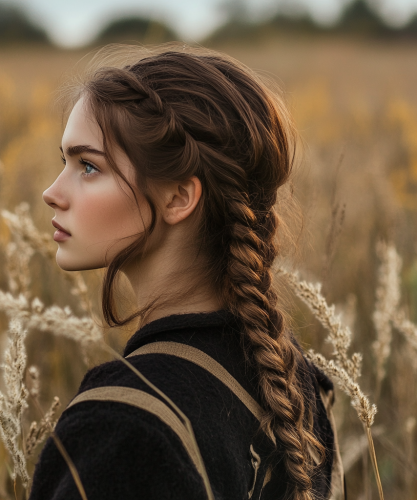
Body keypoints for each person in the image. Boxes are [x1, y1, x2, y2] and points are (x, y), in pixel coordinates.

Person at [32, 44, 343, 500]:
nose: (51, 193)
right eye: (65, 162)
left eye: (88, 166)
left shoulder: (123, 428)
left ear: (179, 197)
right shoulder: (286, 375)